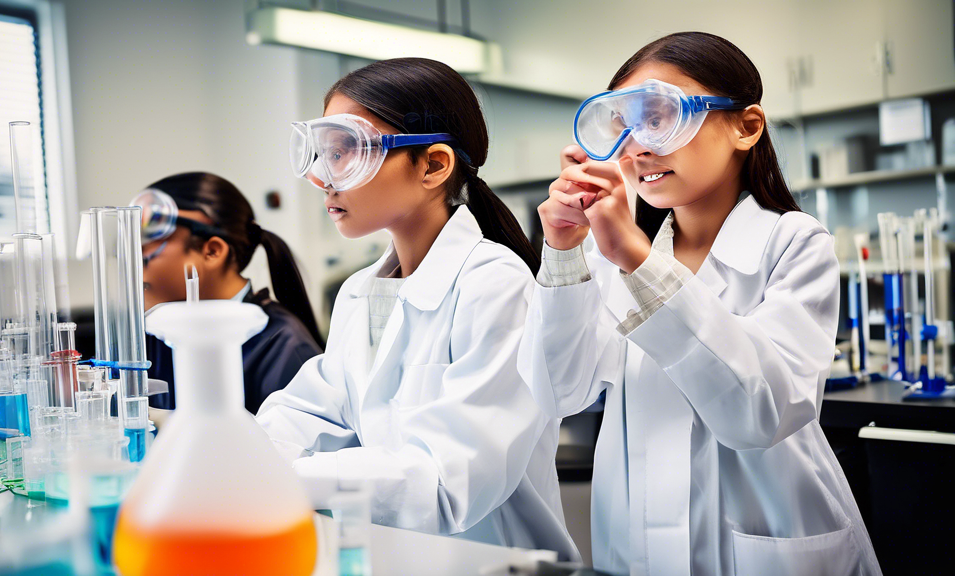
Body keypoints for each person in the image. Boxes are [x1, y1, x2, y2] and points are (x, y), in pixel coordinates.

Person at [519, 32, 881, 575]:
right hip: (633, 547)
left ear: (746, 126)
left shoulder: (793, 244)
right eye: (624, 125)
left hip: (769, 546)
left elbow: (760, 415)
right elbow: (557, 392)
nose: (638, 146)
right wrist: (564, 253)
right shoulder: (612, 256)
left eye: (660, 117)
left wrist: (639, 260)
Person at [255, 58, 579, 561]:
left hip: (495, 561)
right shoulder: (361, 291)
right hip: (397, 557)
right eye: (323, 154)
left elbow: (449, 483)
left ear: (432, 165)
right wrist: (242, 457)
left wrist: (281, 482)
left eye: (347, 152)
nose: (323, 179)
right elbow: (309, 410)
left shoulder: (496, 284)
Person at [137, 172, 323, 415]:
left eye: (152, 238)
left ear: (212, 251)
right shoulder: (156, 336)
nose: (136, 259)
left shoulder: (283, 346)